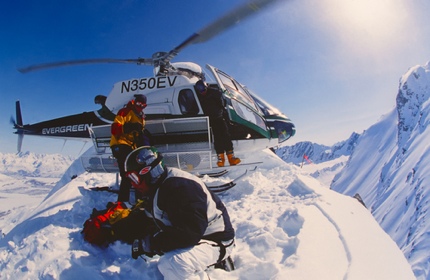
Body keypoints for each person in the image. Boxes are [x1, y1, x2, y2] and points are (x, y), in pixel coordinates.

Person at [125, 146, 235, 279]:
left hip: (215, 239)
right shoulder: (157, 186)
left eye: (134, 178)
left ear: (151, 172)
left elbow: (190, 233)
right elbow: (150, 216)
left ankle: (214, 263)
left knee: (173, 264)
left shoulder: (181, 188)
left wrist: (154, 243)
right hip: (197, 235)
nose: (133, 184)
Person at [110, 94, 150, 202]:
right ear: (134, 102)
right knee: (127, 175)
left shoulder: (141, 117)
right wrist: (129, 127)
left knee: (138, 173)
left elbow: (139, 134)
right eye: (138, 104)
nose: (140, 106)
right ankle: (122, 202)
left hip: (132, 147)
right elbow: (114, 129)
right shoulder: (125, 111)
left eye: (143, 105)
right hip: (120, 144)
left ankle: (140, 200)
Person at [195, 80, 241, 167]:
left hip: (220, 118)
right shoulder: (200, 97)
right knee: (217, 139)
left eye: (203, 90)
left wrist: (225, 117)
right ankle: (221, 160)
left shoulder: (214, 93)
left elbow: (222, 105)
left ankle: (231, 158)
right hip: (211, 120)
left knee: (226, 137)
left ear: (206, 87)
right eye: (200, 91)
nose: (202, 92)